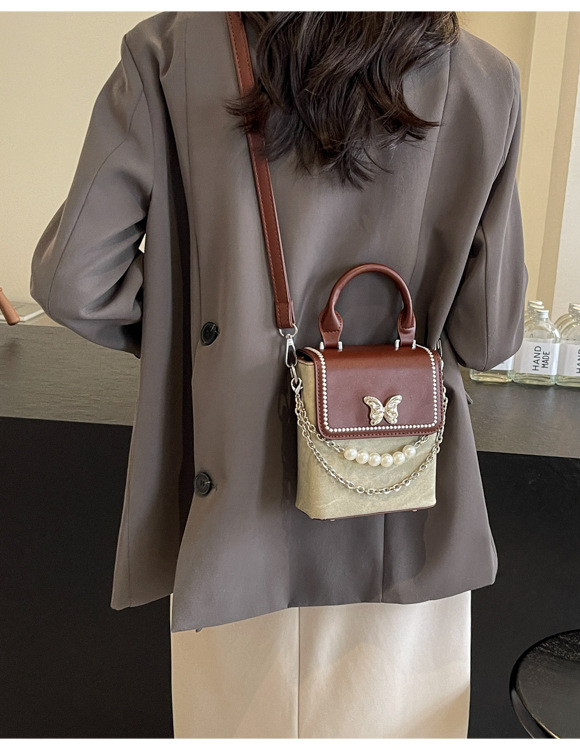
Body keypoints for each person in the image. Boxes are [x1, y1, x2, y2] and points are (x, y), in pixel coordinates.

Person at [30, 11, 527, 739]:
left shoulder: (171, 51)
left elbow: (75, 281)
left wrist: (210, 338)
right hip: (401, 510)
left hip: (234, 524)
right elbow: (489, 336)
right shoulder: (486, 79)